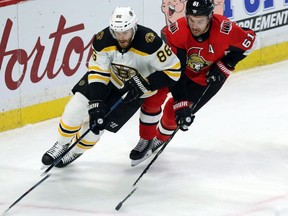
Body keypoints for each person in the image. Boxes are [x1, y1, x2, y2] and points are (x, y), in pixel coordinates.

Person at [41, 6, 181, 168]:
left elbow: (174, 71)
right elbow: (98, 71)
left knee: (96, 128)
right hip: (107, 81)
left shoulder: (150, 42)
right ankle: (61, 144)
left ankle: (74, 152)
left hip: (132, 92)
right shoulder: (103, 39)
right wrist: (97, 101)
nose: (121, 37)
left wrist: (144, 83)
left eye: (125, 32)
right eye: (117, 32)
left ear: (134, 28)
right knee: (74, 109)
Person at [130, 0, 256, 164]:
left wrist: (226, 64)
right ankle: (145, 139)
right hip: (177, 72)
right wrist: (181, 102)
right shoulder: (178, 32)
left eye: (200, 21)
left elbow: (251, 40)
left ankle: (160, 139)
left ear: (210, 17)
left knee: (172, 113)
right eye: (191, 19)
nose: (195, 25)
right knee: (153, 97)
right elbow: (177, 71)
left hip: (206, 78)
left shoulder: (226, 29)